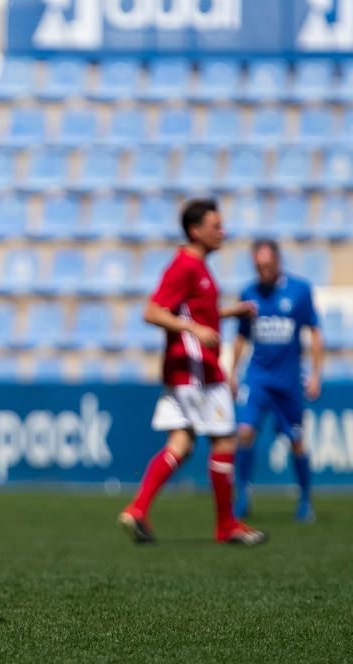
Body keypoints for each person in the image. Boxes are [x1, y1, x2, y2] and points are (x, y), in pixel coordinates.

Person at [117, 198, 267, 546]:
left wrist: (229, 313)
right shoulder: (184, 266)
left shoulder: (197, 267)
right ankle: (226, 525)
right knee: (224, 440)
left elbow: (197, 312)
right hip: (199, 372)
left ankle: (138, 509)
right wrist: (193, 329)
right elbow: (152, 311)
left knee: (181, 443)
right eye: (216, 226)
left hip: (183, 372)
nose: (223, 232)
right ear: (196, 230)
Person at [231, 239, 323, 523]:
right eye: (259, 267)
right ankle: (243, 495)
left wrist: (315, 374)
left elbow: (315, 332)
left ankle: (305, 499)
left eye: (268, 265)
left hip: (288, 382)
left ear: (278, 262)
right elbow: (241, 336)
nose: (264, 271)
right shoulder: (248, 293)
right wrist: (232, 372)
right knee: (245, 432)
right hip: (257, 378)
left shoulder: (300, 291)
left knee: (296, 440)